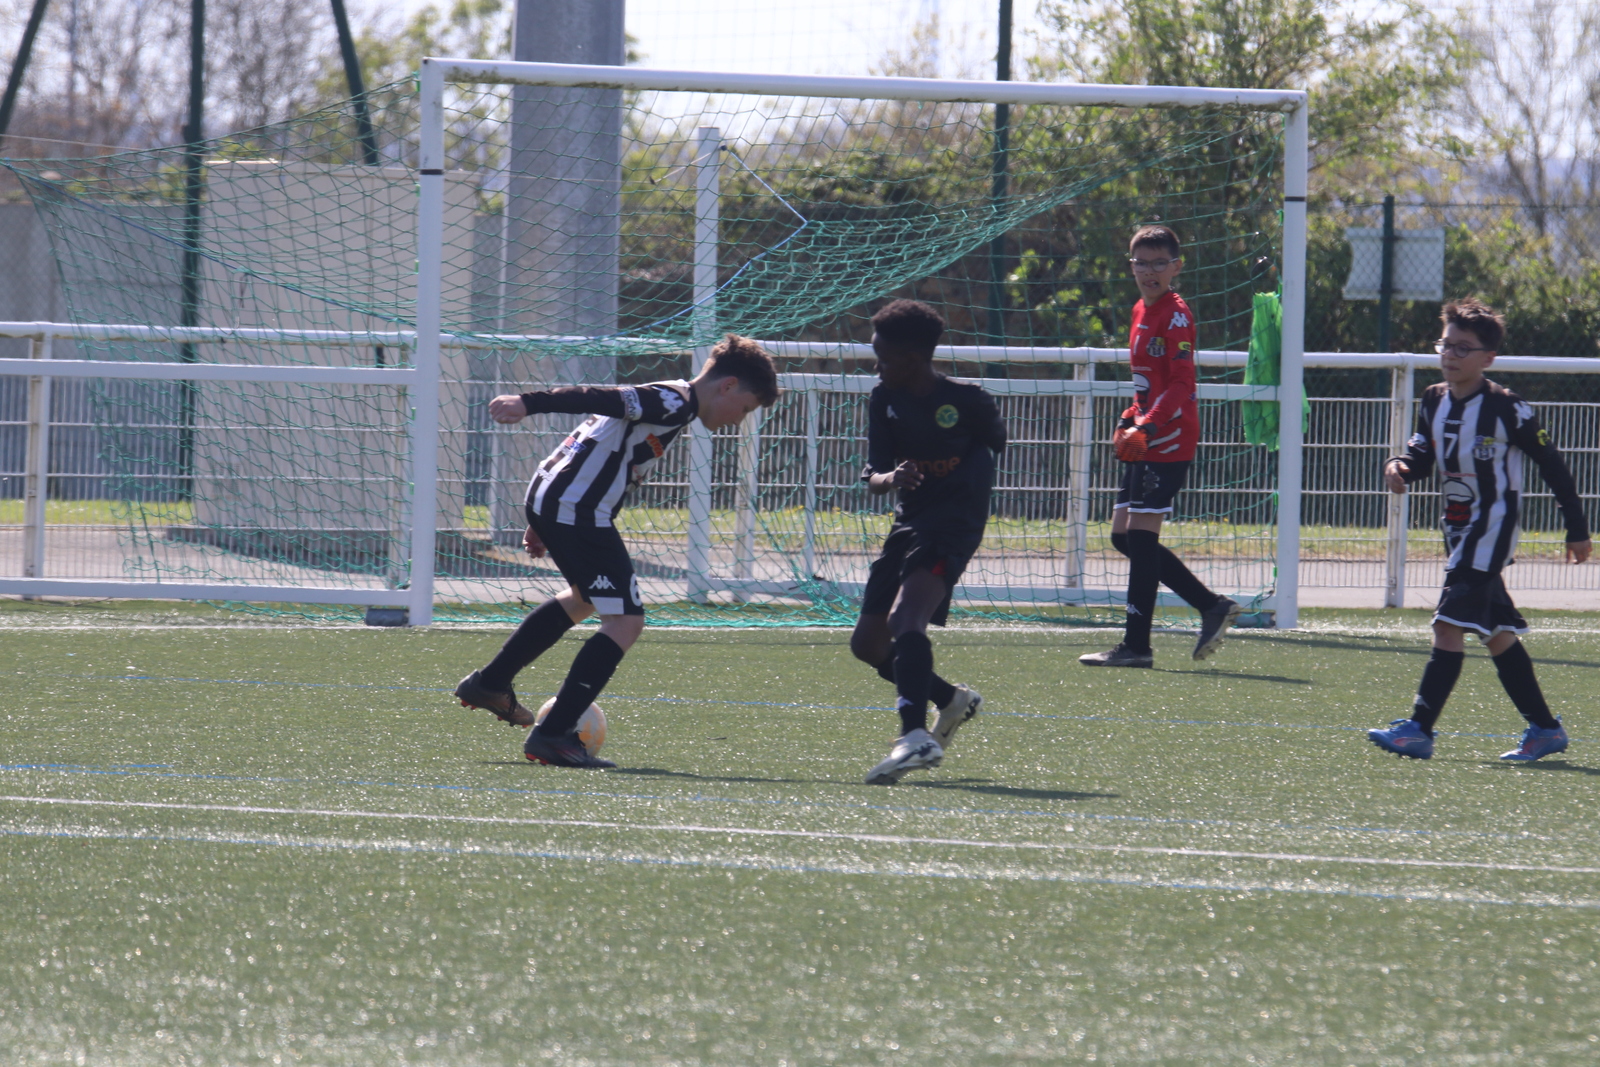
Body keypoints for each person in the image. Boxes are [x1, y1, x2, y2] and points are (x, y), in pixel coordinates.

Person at [453, 334, 780, 768]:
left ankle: (491, 683)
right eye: (746, 408)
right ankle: (552, 735)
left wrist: (543, 516)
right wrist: (528, 403)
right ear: (728, 385)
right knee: (625, 621)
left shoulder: (672, 404)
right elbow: (596, 397)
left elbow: (595, 440)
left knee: (585, 598)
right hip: (576, 509)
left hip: (559, 499)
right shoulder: (672, 401)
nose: (739, 420)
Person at [1369, 298, 1590, 762]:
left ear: (1488, 358)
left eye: (1462, 348)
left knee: (1447, 625)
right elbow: (1421, 455)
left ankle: (1419, 730)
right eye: (1445, 345)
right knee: (1496, 634)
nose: (1450, 355)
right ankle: (1545, 730)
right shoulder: (1434, 399)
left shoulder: (1508, 408)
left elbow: (1552, 465)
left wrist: (1576, 527)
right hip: (1458, 530)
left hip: (1491, 528)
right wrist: (1398, 466)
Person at [850, 299, 1007, 785]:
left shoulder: (968, 402)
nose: (877, 367)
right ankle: (950, 699)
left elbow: (993, 446)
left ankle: (915, 737)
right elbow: (873, 475)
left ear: (914, 359)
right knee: (868, 644)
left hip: (953, 526)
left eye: (883, 358)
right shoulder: (884, 399)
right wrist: (892, 477)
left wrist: (963, 490)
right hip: (910, 523)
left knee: (905, 619)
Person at [1079, 224, 1240, 669]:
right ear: (1130, 266)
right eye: (1141, 263)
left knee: (1140, 538)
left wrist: (1147, 426)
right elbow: (1146, 386)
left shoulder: (1176, 315)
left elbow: (1182, 383)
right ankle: (1210, 605)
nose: (1149, 271)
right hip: (1146, 433)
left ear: (1176, 267)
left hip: (1168, 437)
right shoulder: (1140, 309)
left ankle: (1137, 646)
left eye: (1159, 263)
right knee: (1122, 536)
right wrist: (1127, 419)